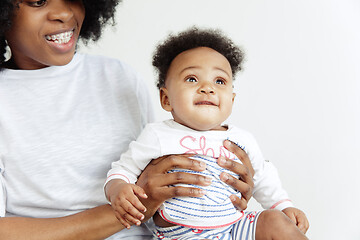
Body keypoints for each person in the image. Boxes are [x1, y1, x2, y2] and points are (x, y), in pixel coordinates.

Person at [0, 1, 256, 240]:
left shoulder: (118, 76)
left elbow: (158, 164)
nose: (64, 13)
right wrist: (135, 208)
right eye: (37, 1)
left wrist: (226, 181)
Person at [105, 27, 310, 240]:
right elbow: (124, 169)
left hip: (234, 228)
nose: (207, 88)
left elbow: (263, 175)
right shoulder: (158, 135)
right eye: (192, 79)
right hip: (178, 233)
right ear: (166, 99)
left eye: (219, 81)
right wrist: (118, 188)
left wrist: (284, 206)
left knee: (274, 221)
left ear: (232, 99)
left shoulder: (241, 140)